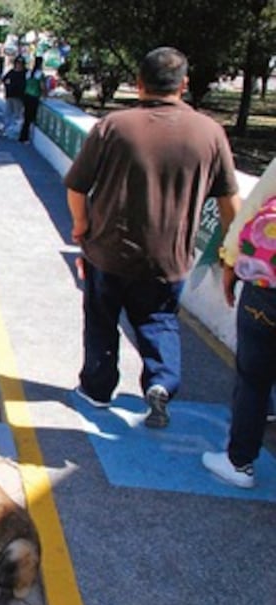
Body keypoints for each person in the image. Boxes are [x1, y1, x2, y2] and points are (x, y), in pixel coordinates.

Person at [65, 46, 240, 428]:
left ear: (139, 82)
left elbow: (77, 187)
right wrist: (231, 255)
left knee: (101, 319)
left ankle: (97, 389)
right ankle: (161, 384)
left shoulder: (113, 126)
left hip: (107, 252)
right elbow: (230, 204)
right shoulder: (210, 133)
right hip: (169, 258)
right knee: (159, 321)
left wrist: (81, 226)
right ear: (185, 84)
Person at [202, 157, 276, 488]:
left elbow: (252, 207)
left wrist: (231, 260)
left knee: (254, 378)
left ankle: (240, 462)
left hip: (268, 288)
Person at [19, 55, 46, 143]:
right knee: (30, 118)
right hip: (34, 97)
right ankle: (25, 137)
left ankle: (23, 136)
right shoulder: (40, 74)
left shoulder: (29, 73)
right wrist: (45, 94)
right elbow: (42, 87)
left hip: (26, 96)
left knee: (26, 117)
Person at [0, 55, 26, 139]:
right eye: (17, 63)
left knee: (17, 115)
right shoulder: (11, 72)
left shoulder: (25, 73)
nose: (19, 65)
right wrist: (8, 85)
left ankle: (13, 132)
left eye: (20, 63)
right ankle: (5, 130)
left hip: (19, 97)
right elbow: (4, 80)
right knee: (8, 113)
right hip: (10, 95)